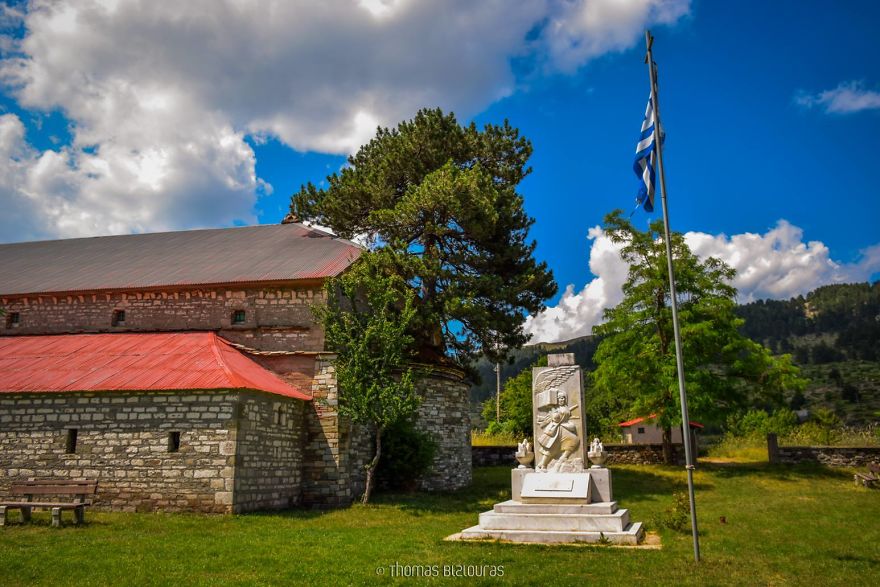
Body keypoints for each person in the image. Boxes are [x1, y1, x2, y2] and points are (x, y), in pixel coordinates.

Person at [535, 389, 580, 471]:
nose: (561, 400)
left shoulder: (566, 408)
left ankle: (563, 458)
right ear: (557, 399)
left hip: (564, 428)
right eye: (559, 398)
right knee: (551, 448)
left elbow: (566, 418)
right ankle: (542, 465)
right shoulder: (555, 408)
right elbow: (554, 418)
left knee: (574, 440)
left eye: (563, 398)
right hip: (556, 430)